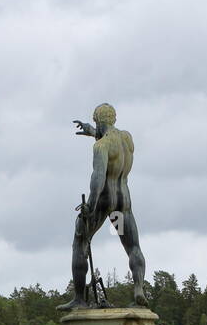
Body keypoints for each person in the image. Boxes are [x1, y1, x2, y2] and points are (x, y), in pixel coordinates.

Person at [59, 103, 147, 309]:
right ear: (114, 119)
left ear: (98, 121)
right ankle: (139, 289)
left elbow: (98, 178)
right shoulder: (127, 139)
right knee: (133, 246)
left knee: (81, 240)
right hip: (122, 204)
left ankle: (80, 299)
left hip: (104, 200)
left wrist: (90, 206)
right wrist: (93, 132)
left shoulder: (101, 146)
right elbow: (111, 141)